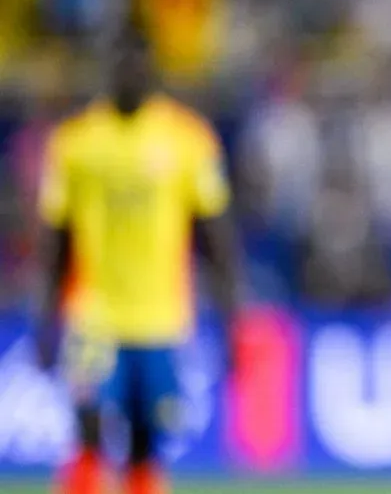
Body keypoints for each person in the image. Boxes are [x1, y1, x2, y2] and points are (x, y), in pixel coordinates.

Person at [34, 27, 241, 494]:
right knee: (86, 433)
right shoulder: (76, 142)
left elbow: (215, 241)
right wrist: (45, 319)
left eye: (136, 64)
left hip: (162, 320)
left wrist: (232, 322)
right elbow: (56, 240)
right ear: (106, 70)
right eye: (119, 63)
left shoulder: (187, 140)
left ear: (152, 70)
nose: (127, 73)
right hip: (94, 316)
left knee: (146, 446)